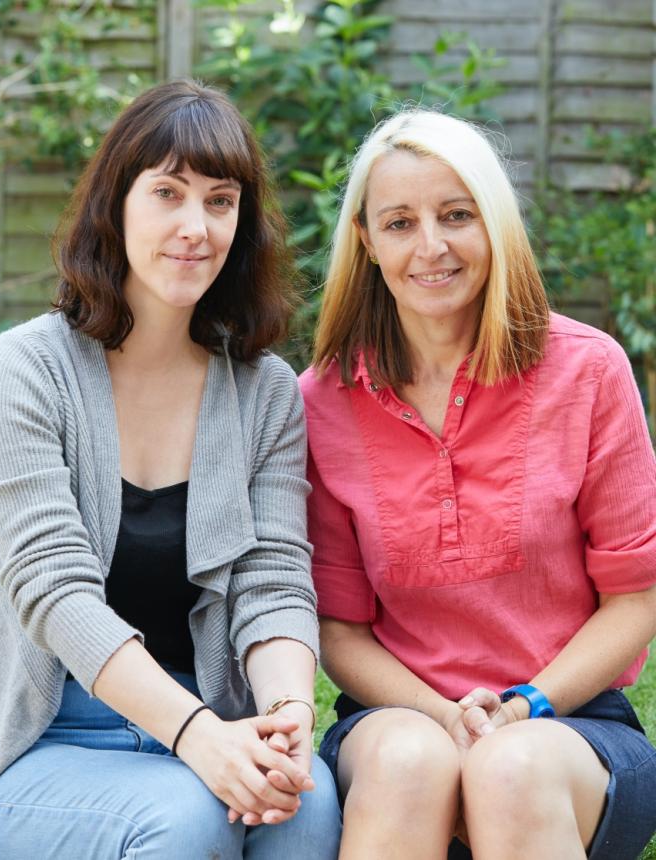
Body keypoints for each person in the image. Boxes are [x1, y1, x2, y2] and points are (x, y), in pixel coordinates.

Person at [0, 79, 341, 860]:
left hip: (213, 716)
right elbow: (54, 591)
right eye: (168, 193)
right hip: (42, 738)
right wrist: (196, 737)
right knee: (183, 819)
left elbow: (275, 579)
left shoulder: (266, 391)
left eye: (219, 201)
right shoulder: (26, 369)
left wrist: (285, 712)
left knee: (306, 813)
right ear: (117, 205)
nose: (195, 226)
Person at [299, 107, 656, 860]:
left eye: (456, 215)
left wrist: (525, 708)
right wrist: (443, 716)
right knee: (408, 762)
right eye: (399, 222)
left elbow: (636, 598)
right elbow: (338, 630)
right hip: (394, 721)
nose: (431, 246)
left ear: (493, 224)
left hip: (572, 726)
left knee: (509, 769)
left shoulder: (589, 371)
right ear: (366, 242)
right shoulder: (321, 400)